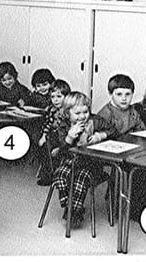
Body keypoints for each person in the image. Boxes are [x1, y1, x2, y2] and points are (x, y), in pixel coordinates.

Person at [53, 91, 115, 228]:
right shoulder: (63, 125)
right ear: (68, 113)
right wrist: (69, 137)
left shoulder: (95, 120)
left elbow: (113, 130)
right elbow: (61, 151)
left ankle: (72, 211)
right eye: (77, 113)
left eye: (85, 112)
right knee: (60, 176)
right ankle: (72, 207)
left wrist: (101, 135)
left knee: (80, 179)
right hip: (70, 161)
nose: (82, 116)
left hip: (91, 164)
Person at [36, 79, 71, 186]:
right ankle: (48, 172)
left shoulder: (68, 112)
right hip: (54, 135)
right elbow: (48, 124)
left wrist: (60, 147)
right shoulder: (51, 110)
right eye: (52, 97)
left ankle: (54, 174)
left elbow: (68, 132)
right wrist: (43, 136)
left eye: (59, 97)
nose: (55, 100)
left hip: (65, 139)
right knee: (42, 146)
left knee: (53, 150)